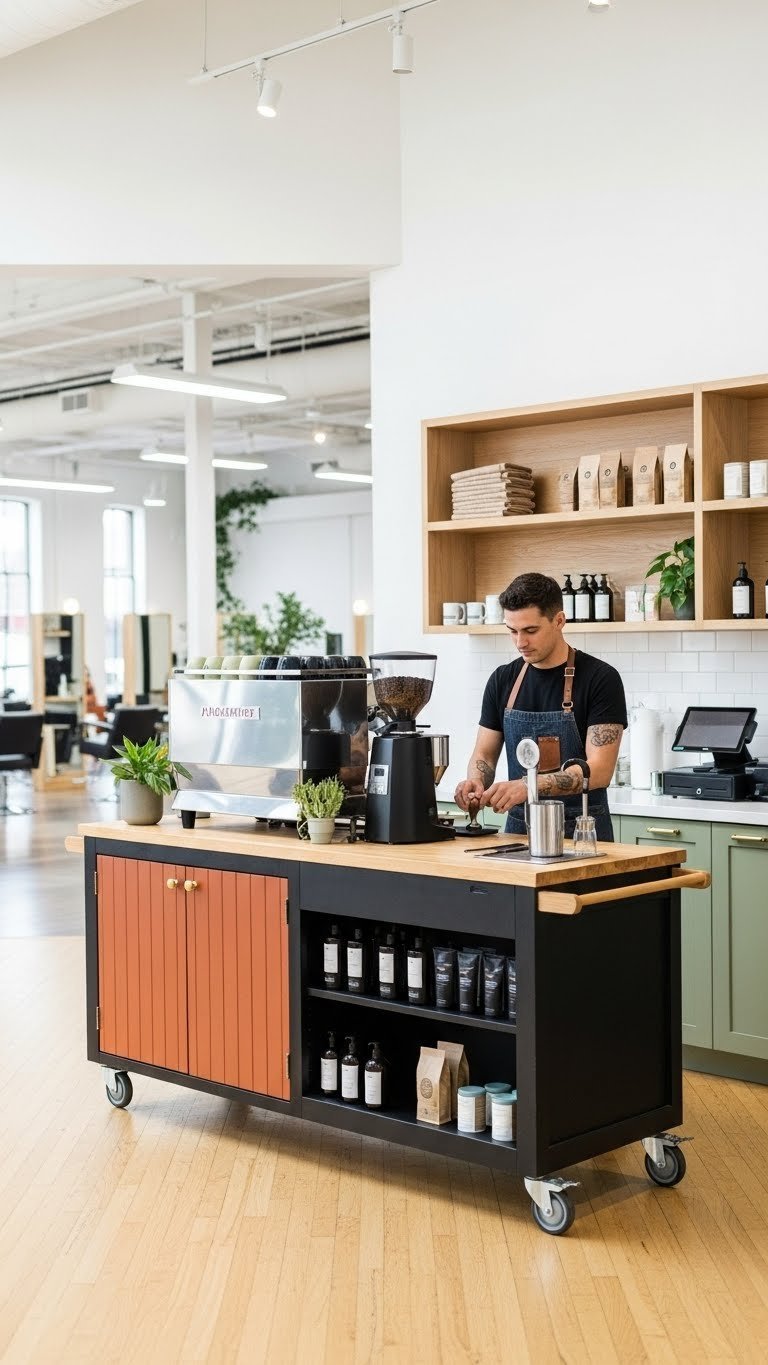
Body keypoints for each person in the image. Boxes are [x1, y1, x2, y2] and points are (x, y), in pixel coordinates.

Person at [454, 573, 627, 839]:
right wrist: (475, 782)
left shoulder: (600, 678)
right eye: (512, 631)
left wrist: (529, 786)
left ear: (559, 621)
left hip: (581, 833)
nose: (520, 642)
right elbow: (485, 755)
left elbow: (600, 770)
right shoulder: (503, 680)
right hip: (518, 832)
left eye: (530, 631)